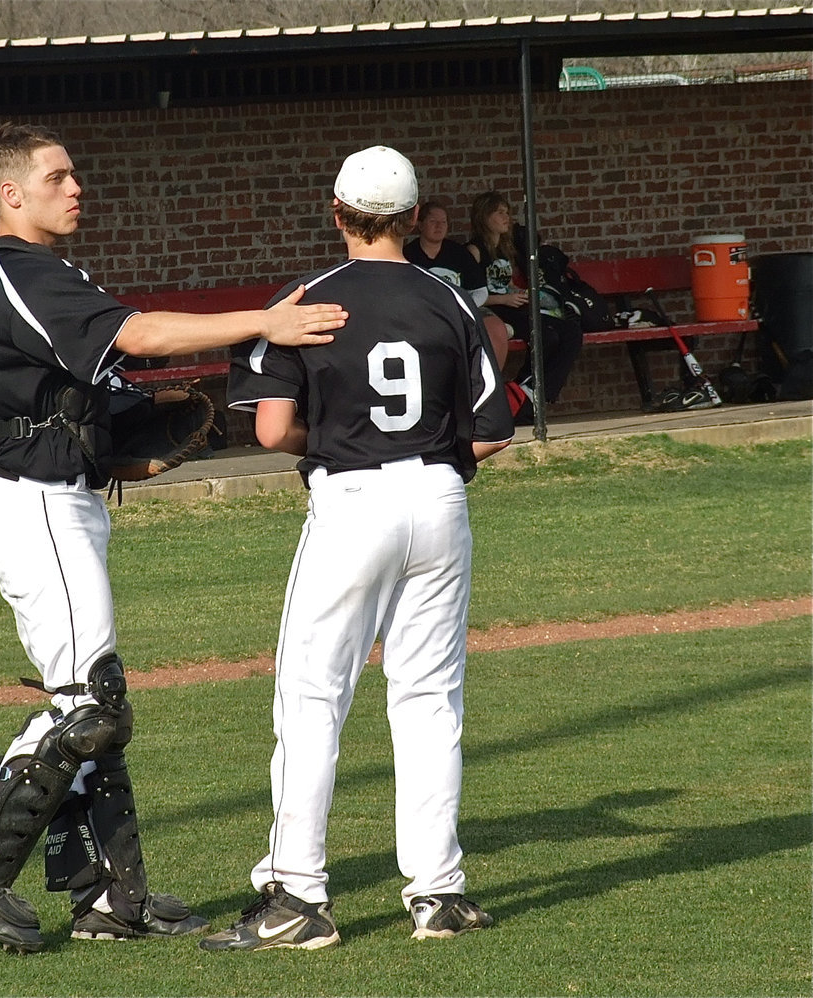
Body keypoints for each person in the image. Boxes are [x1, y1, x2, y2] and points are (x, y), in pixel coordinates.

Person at [0, 121, 347, 954]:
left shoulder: (15, 273)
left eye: (73, 174)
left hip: (53, 499)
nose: (75, 187)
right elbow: (141, 334)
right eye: (58, 176)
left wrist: (116, 428)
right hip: (36, 506)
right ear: (13, 195)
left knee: (95, 704)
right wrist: (263, 322)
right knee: (87, 709)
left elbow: (65, 391)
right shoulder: (21, 271)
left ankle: (112, 898)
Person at [201, 146, 512, 952]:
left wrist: (336, 441)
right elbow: (489, 433)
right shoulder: (448, 299)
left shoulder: (306, 301)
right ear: (413, 220)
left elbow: (271, 428)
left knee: (312, 700)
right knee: (430, 699)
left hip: (352, 496)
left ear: (337, 213)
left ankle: (298, 898)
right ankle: (437, 893)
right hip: (439, 500)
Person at [466, 190, 582, 414]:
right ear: (484, 216)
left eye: (507, 212)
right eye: (499, 212)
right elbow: (473, 295)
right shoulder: (474, 251)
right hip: (494, 310)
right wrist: (505, 298)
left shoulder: (505, 249)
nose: (506, 217)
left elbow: (504, 284)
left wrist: (520, 293)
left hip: (515, 305)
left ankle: (530, 391)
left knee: (571, 331)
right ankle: (526, 391)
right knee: (545, 336)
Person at [404, 199, 509, 368]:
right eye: (433, 221)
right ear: (420, 225)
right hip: (424, 315)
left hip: (460, 311)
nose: (439, 226)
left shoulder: (459, 253)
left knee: (496, 328)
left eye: (443, 222)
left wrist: (462, 307)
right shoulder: (407, 255)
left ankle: (489, 387)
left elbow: (480, 290)